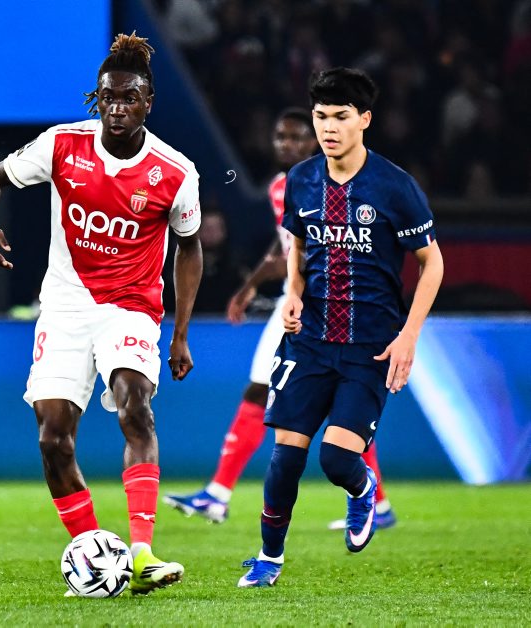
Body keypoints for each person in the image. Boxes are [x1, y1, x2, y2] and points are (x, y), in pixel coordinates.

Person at [0, 32, 202, 595]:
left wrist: (180, 333)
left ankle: (142, 554)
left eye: (130, 97)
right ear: (97, 99)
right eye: (108, 97)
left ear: (149, 102)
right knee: (53, 439)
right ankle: (97, 554)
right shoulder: (61, 144)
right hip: (65, 306)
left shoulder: (175, 171)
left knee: (135, 406)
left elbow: (189, 247)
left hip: (131, 307)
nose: (117, 107)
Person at [238, 68, 443, 587]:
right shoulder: (301, 179)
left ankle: (362, 488)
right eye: (321, 116)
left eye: (340, 117)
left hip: (369, 346)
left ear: (364, 120)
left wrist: (409, 335)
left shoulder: (394, 186)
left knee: (335, 459)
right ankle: (269, 559)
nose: (329, 127)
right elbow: (297, 244)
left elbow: (432, 263)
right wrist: (292, 292)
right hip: (309, 340)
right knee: (285, 457)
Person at [164, 108, 398, 530]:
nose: (285, 144)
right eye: (279, 136)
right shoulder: (280, 186)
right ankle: (218, 493)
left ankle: (374, 503)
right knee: (263, 391)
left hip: (325, 306)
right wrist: (250, 286)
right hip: (296, 301)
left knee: (334, 405)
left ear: (314, 141)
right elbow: (286, 248)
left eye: (295, 137)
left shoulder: (330, 185)